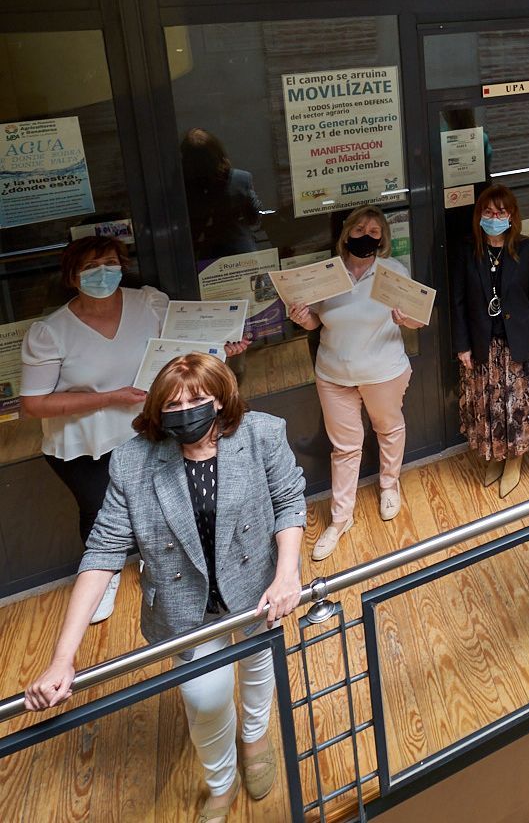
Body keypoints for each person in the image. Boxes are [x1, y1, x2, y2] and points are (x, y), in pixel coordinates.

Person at [25, 353, 306, 822]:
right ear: (157, 411)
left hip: (257, 590)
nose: (185, 411)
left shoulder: (262, 434)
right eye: (172, 404)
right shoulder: (132, 462)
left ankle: (256, 740)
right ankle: (221, 779)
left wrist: (287, 572)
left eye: (197, 399)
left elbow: (289, 498)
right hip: (183, 608)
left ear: (220, 400)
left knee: (259, 664)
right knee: (204, 697)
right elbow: (102, 553)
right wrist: (62, 657)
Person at [20, 237, 248, 623]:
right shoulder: (50, 332)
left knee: (160, 502)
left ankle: (156, 562)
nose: (102, 273)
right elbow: (33, 403)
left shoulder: (148, 302)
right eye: (90, 267)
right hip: (84, 441)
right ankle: (104, 576)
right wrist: (109, 398)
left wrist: (221, 349)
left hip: (144, 428)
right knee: (98, 511)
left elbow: (181, 350)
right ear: (72, 276)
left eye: (109, 263)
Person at [287, 205, 425, 561]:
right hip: (334, 374)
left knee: (388, 428)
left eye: (375, 232)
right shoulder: (326, 276)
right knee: (345, 447)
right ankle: (340, 518)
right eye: (360, 229)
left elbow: (415, 322)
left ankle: (389, 485)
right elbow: (315, 322)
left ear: (383, 240)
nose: (367, 235)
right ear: (346, 233)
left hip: (383, 370)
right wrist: (302, 318)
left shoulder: (393, 273)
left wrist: (407, 318)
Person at [450, 184, 529, 496]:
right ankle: (494, 455)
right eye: (489, 212)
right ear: (479, 215)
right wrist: (462, 345)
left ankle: (515, 459)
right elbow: (458, 302)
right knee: (488, 407)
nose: (495, 217)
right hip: (483, 345)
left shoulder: (527, 248)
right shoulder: (467, 251)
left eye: (501, 212)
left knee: (515, 406)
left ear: (512, 216)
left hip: (518, 343)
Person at [180, 128, 265, 257]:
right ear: (216, 152)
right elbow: (254, 218)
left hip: (202, 255)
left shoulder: (182, 189)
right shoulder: (240, 179)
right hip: (240, 251)